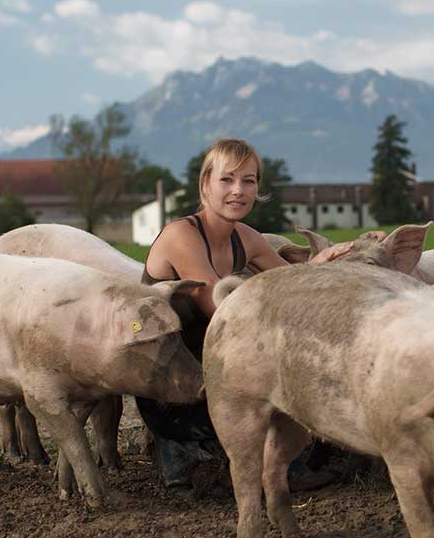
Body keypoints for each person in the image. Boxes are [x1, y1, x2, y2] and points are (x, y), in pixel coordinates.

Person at [136, 137, 352, 493]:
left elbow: (290, 284)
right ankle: (181, 445)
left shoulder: (246, 238)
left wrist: (319, 269)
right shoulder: (180, 236)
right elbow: (221, 311)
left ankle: (269, 457)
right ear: (205, 184)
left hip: (209, 365)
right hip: (168, 383)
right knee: (273, 381)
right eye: (227, 179)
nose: (238, 190)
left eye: (248, 181)